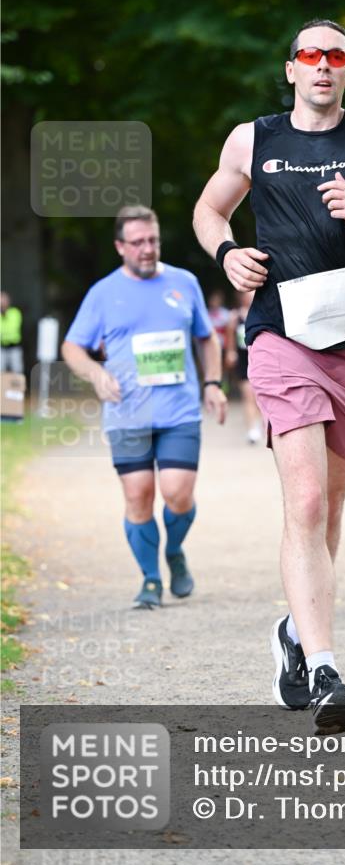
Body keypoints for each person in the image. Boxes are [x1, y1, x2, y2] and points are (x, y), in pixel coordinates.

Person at [193, 18, 345, 733]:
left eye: (336, 56)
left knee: (327, 513)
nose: (323, 66)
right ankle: (327, 668)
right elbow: (210, 209)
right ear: (291, 67)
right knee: (303, 503)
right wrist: (226, 253)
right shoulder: (253, 138)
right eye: (311, 55)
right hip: (280, 334)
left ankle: (294, 634)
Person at [62, 206, 227, 609]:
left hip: (178, 411)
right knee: (138, 496)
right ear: (121, 247)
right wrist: (96, 374)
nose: (148, 249)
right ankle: (151, 580)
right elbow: (72, 346)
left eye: (153, 240)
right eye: (138, 243)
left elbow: (207, 338)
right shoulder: (102, 293)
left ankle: (174, 550)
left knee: (177, 495)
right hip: (127, 413)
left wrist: (212, 383)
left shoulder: (184, 282)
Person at [225, 290, 263, 444]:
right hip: (243, 360)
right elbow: (230, 336)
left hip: (260, 360)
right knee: (248, 396)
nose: (250, 297)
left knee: (260, 397)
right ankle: (252, 430)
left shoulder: (263, 313)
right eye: (248, 294)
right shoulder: (235, 317)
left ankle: (261, 425)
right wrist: (230, 352)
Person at [0, 291, 24, 373]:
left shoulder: (15, 313)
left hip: (14, 347)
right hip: (2, 347)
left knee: (17, 371)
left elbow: (13, 329)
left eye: (3, 302)